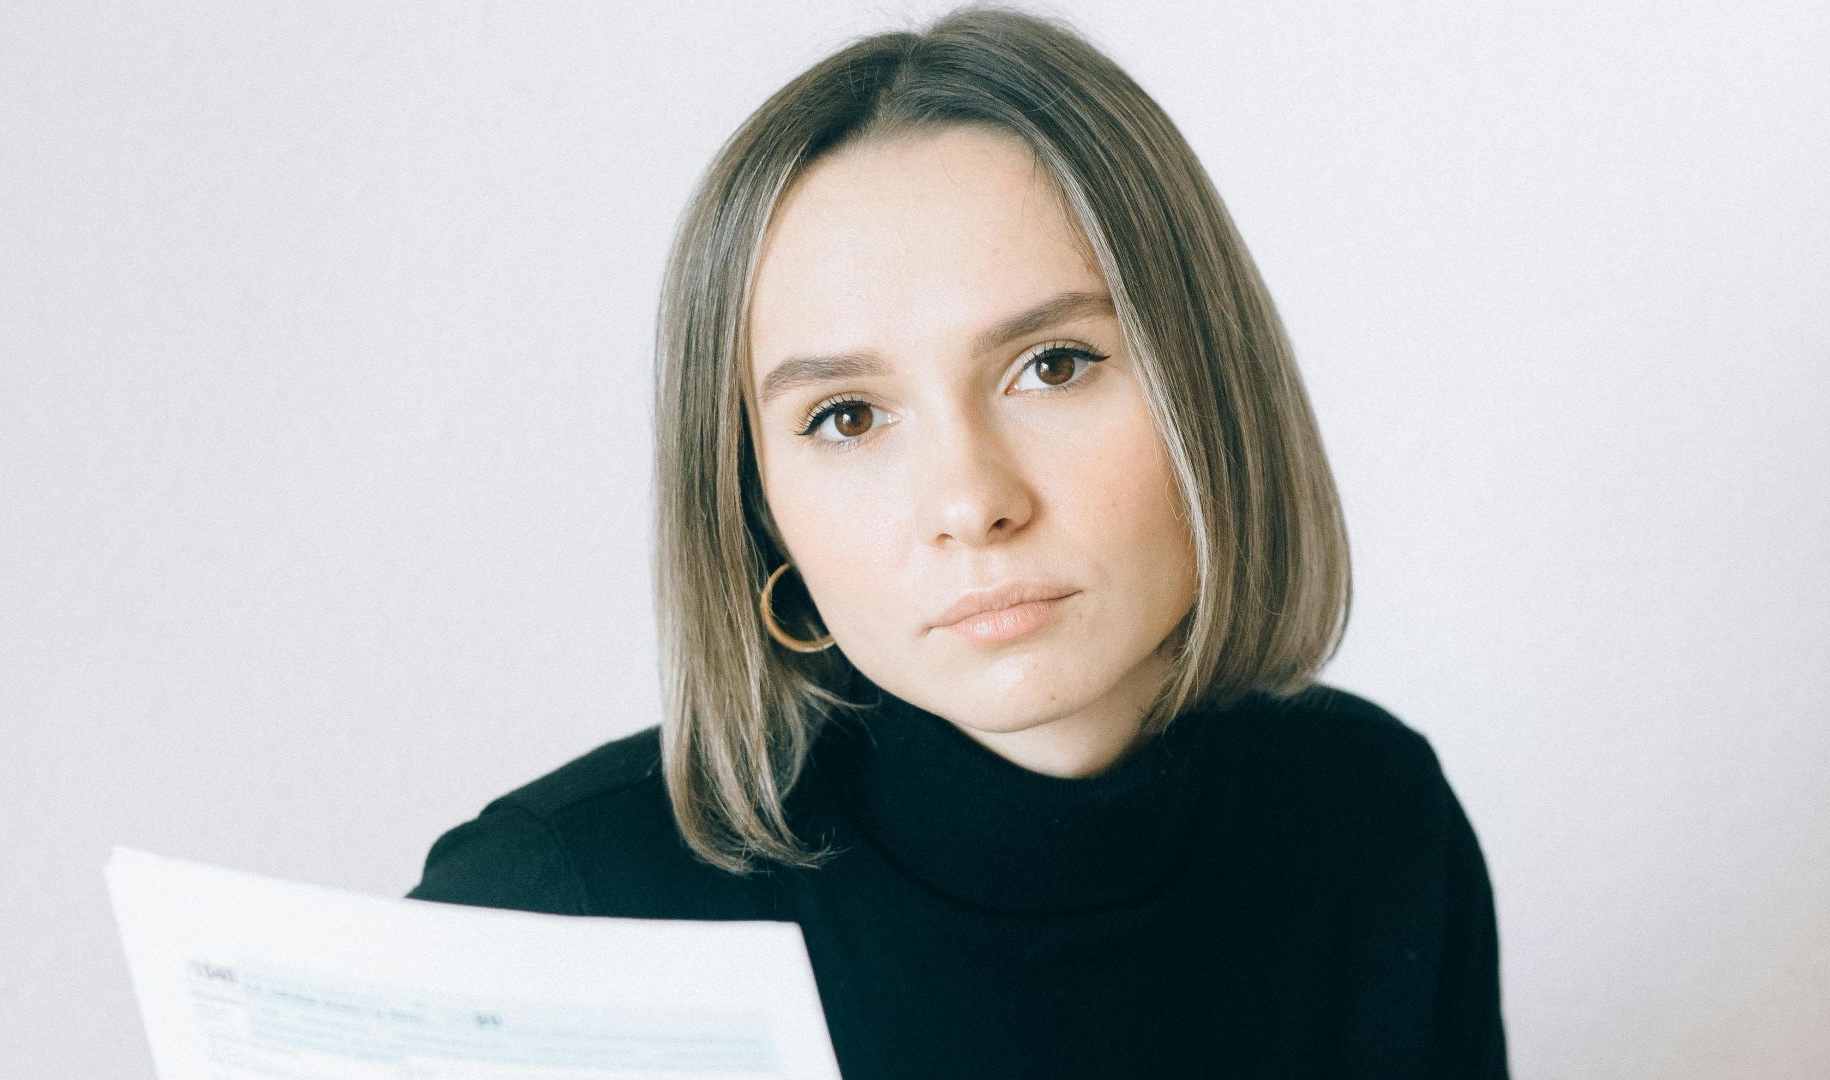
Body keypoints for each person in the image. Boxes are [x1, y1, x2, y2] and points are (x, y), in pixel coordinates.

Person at [407, 5, 1511, 1077]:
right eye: (846, 417)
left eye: (1055, 365)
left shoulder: (1371, 817)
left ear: (1212, 393)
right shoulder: (555, 905)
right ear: (757, 507)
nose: (969, 501)